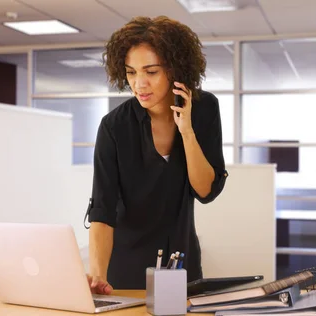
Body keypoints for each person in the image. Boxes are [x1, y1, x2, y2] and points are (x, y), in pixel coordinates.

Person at [84, 15, 228, 294]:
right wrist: (98, 276)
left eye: (151, 72)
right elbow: (103, 209)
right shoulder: (114, 127)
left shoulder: (204, 108)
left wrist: (186, 131)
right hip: (126, 272)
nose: (139, 84)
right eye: (131, 72)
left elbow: (206, 190)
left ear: (175, 70)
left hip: (183, 269)